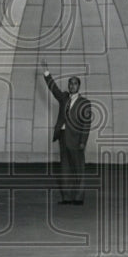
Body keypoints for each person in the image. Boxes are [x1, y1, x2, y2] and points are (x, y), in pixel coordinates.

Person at [40, 59, 91, 205]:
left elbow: (86, 124)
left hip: (76, 140)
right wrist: (46, 72)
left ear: (79, 86)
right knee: (65, 170)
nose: (72, 85)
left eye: (75, 83)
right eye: (70, 83)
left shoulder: (85, 103)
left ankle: (78, 198)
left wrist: (83, 142)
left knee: (79, 169)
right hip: (63, 137)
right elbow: (53, 88)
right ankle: (67, 197)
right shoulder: (63, 97)